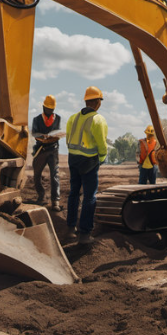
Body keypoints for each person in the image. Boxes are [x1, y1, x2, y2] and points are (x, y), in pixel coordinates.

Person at [65, 86, 108, 245]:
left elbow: (68, 139)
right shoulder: (98, 119)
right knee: (89, 197)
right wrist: (102, 158)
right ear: (97, 102)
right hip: (89, 162)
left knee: (73, 194)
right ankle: (84, 234)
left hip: (73, 159)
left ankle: (70, 229)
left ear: (86, 101)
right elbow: (102, 144)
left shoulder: (73, 118)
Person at [31, 95, 62, 211]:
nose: (50, 111)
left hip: (53, 150)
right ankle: (41, 195)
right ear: (44, 107)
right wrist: (41, 136)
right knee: (37, 175)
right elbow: (34, 133)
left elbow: (58, 132)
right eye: (48, 109)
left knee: (54, 175)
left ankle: (55, 201)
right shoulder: (37, 119)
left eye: (52, 109)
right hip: (41, 150)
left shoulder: (58, 118)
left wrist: (54, 136)